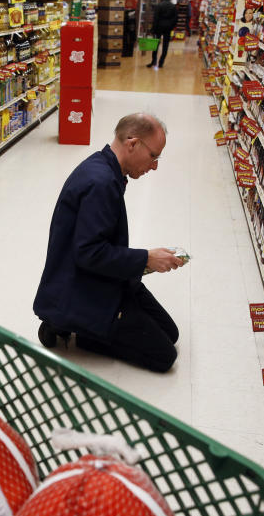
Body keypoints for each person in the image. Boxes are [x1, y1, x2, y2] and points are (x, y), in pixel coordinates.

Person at [33, 113, 186, 373]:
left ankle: (82, 323)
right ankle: (77, 327)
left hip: (105, 277)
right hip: (84, 287)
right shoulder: (101, 183)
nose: (155, 166)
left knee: (170, 332)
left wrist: (142, 262)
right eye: (154, 156)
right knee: (164, 357)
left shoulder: (104, 168)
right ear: (132, 143)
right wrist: (147, 259)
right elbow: (89, 253)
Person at [147, 0, 179, 69]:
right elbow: (175, 18)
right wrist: (171, 26)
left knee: (156, 44)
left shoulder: (159, 5)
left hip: (159, 26)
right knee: (165, 45)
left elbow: (156, 18)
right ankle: (161, 62)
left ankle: (153, 61)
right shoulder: (173, 6)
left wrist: (153, 29)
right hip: (168, 27)